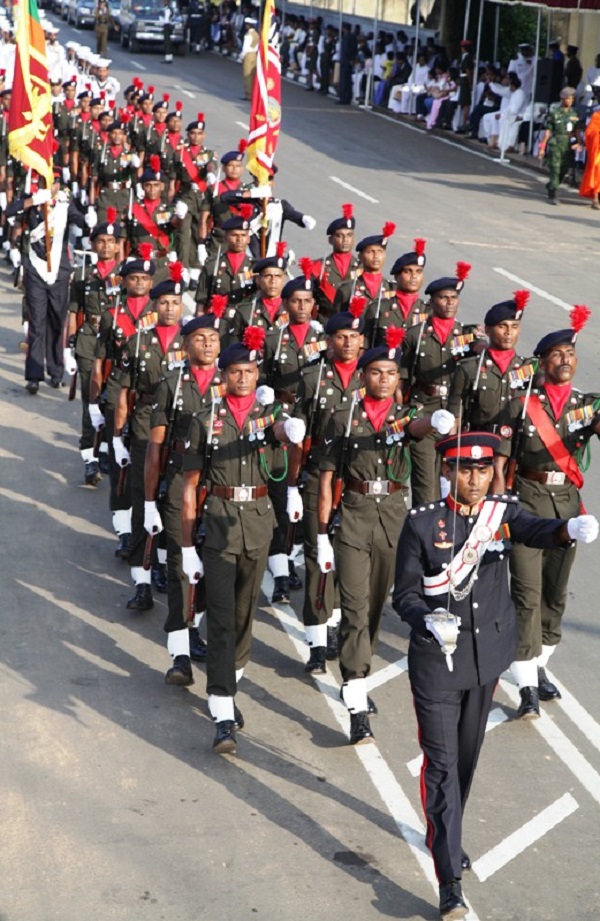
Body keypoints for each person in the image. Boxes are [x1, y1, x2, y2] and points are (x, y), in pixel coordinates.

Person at [393, 431, 598, 921]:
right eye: (466, 469)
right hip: (438, 663)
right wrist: (426, 619)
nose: (476, 479)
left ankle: (448, 830)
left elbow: (533, 529)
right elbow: (404, 595)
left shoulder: (499, 512)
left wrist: (568, 529)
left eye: (484, 470)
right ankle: (450, 879)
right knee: (441, 768)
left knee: (465, 760)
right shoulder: (423, 525)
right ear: (447, 471)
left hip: (486, 660)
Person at [318, 334, 452, 743]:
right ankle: (357, 701)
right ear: (363, 376)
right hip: (355, 517)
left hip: (394, 518)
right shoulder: (343, 416)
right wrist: (322, 534)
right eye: (376, 372)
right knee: (356, 609)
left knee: (376, 607)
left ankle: (357, 670)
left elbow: (416, 427)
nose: (384, 379)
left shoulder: (405, 414)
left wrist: (436, 422)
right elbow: (326, 479)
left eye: (391, 374)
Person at [181, 328, 306, 755]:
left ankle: (230, 682)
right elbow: (189, 485)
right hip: (217, 525)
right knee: (220, 619)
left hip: (257, 524)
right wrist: (184, 545)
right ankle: (221, 713)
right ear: (224, 375)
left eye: (250, 371)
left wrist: (288, 438)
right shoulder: (204, 420)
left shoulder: (271, 419)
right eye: (236, 371)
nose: (243, 378)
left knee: (242, 616)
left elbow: (281, 443)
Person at [493, 309, 600, 718]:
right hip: (527, 505)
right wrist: (500, 514)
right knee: (527, 594)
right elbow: (501, 466)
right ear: (541, 362)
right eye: (556, 354)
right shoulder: (520, 407)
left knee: (555, 595)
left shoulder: (586, 407)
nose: (565, 360)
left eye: (570, 352)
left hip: (568, 509)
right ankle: (525, 687)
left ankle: (538, 667)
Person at [146, 308, 226, 685]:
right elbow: (155, 448)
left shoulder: (232, 382)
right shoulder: (173, 384)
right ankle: (179, 653)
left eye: (213, 338)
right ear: (186, 344)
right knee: (181, 563)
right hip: (181, 479)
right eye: (199, 338)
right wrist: (149, 502)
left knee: (213, 564)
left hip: (222, 482)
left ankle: (195, 624)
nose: (207, 344)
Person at [400, 263, 484, 504]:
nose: (449, 302)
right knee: (426, 488)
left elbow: (482, 348)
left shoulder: (467, 335)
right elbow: (402, 381)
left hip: (457, 416)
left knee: (456, 487)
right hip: (424, 412)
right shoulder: (415, 336)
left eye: (454, 298)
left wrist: (482, 347)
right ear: (432, 302)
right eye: (443, 297)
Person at [6, 171, 87, 394]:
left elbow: (81, 221)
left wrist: (89, 221)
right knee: (37, 323)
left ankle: (55, 371)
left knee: (55, 321)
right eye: (45, 181)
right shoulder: (32, 201)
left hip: (59, 272)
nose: (49, 185)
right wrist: (34, 200)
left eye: (54, 182)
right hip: (35, 270)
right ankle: (33, 375)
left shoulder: (64, 205)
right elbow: (9, 211)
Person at [447, 291, 534, 430]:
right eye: (502, 326)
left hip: (512, 443)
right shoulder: (469, 368)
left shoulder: (529, 369)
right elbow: (454, 413)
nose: (509, 332)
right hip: (477, 442)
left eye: (514, 327)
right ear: (488, 330)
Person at [538, 86, 581, 204]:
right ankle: (554, 193)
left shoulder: (575, 112)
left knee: (564, 169)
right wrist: (542, 147)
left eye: (572, 99)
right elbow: (548, 131)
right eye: (568, 99)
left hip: (568, 144)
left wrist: (579, 143)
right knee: (555, 169)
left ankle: (552, 184)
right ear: (563, 99)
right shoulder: (554, 112)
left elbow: (576, 130)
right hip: (556, 142)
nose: (570, 101)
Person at [579, 85, 600, 209]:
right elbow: (590, 132)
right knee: (597, 172)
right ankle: (595, 198)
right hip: (598, 149)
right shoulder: (597, 115)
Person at [240, 17, 259, 100]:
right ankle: (253, 94)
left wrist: (242, 56)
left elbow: (245, 47)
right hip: (255, 55)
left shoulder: (248, 35)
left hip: (248, 54)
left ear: (248, 26)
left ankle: (248, 94)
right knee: (253, 75)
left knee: (247, 75)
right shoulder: (257, 34)